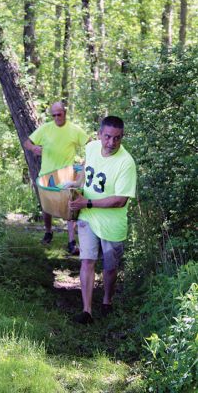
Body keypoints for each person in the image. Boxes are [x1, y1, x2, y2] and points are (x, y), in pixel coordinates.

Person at [66, 116, 137, 323]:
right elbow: (85, 172)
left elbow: (120, 201)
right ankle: (87, 311)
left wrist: (85, 203)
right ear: (99, 135)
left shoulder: (126, 163)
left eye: (117, 138)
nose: (111, 143)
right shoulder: (91, 148)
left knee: (109, 267)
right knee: (87, 260)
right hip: (88, 217)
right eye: (107, 137)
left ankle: (107, 300)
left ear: (122, 137)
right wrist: (74, 185)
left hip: (112, 224)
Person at [24, 101, 89, 254]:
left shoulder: (74, 130)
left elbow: (91, 144)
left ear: (64, 113)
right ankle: (48, 231)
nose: (56, 117)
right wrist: (34, 148)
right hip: (46, 175)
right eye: (53, 115)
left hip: (66, 175)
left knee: (70, 207)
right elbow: (27, 142)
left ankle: (71, 242)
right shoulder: (45, 129)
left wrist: (87, 161)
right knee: (46, 208)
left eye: (59, 114)